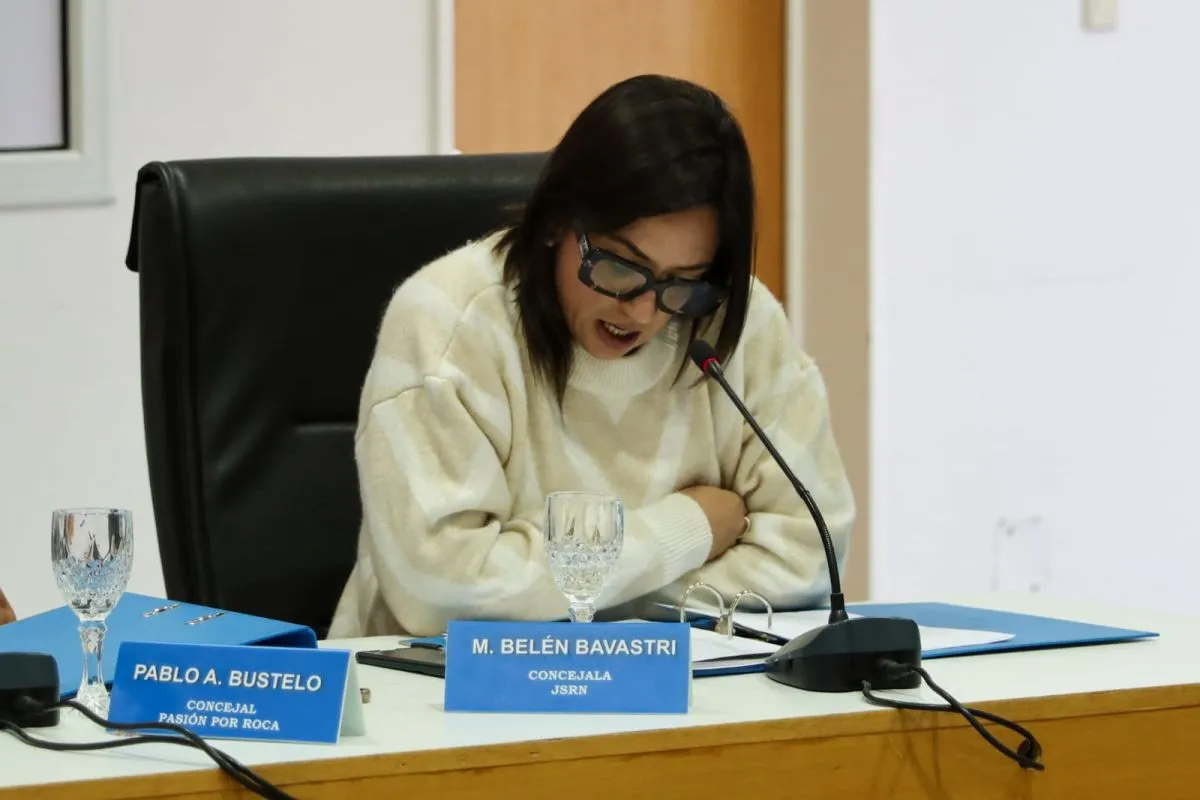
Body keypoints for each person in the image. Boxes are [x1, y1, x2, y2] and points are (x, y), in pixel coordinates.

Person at [328, 74, 855, 638]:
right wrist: (691, 528)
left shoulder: (736, 326)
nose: (645, 312)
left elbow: (810, 555)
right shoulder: (449, 323)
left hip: (686, 693)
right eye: (620, 267)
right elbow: (443, 594)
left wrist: (567, 596)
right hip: (434, 700)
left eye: (683, 282)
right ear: (558, 220)